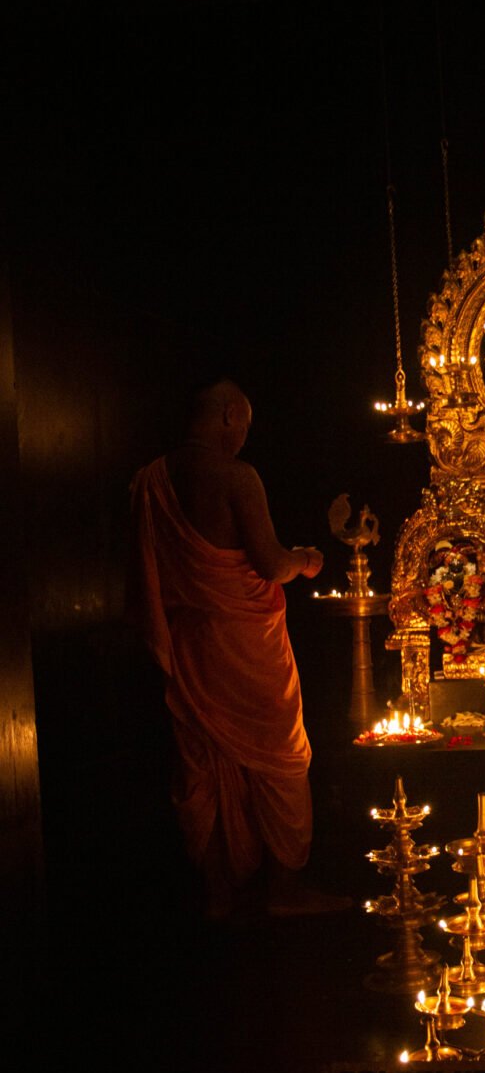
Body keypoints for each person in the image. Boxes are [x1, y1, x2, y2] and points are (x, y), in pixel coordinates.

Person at [129, 380, 350, 918]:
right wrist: (305, 559)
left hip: (191, 644)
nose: (245, 436)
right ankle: (283, 888)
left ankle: (218, 891)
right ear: (229, 414)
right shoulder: (236, 476)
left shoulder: (151, 478)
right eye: (245, 424)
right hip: (246, 644)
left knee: (205, 759)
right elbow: (270, 563)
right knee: (281, 755)